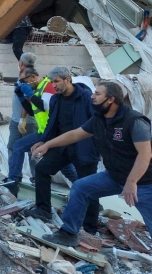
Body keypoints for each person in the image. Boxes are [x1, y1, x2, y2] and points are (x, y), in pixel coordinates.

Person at [35, 81, 152, 247]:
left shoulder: (134, 121)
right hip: (114, 176)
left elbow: (145, 154)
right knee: (81, 187)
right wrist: (47, 144)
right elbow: (75, 134)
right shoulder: (99, 119)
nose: (92, 96)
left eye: (97, 94)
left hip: (144, 182)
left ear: (111, 99)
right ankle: (68, 233)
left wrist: (131, 182)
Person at [24, 67, 98, 232]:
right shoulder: (55, 99)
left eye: (56, 81)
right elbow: (52, 123)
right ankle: (43, 209)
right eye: (51, 82)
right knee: (42, 170)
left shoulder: (86, 97)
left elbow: (97, 123)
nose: (54, 86)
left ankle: (91, 226)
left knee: (89, 185)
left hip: (83, 148)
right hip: (62, 146)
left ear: (68, 79)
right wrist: (43, 141)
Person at [5, 67, 61, 196]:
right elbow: (31, 110)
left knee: (67, 167)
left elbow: (44, 106)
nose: (23, 84)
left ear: (34, 77)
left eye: (25, 81)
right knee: (18, 146)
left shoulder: (48, 86)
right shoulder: (37, 89)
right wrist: (21, 97)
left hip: (53, 132)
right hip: (45, 131)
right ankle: (13, 181)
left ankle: (13, 181)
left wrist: (29, 94)